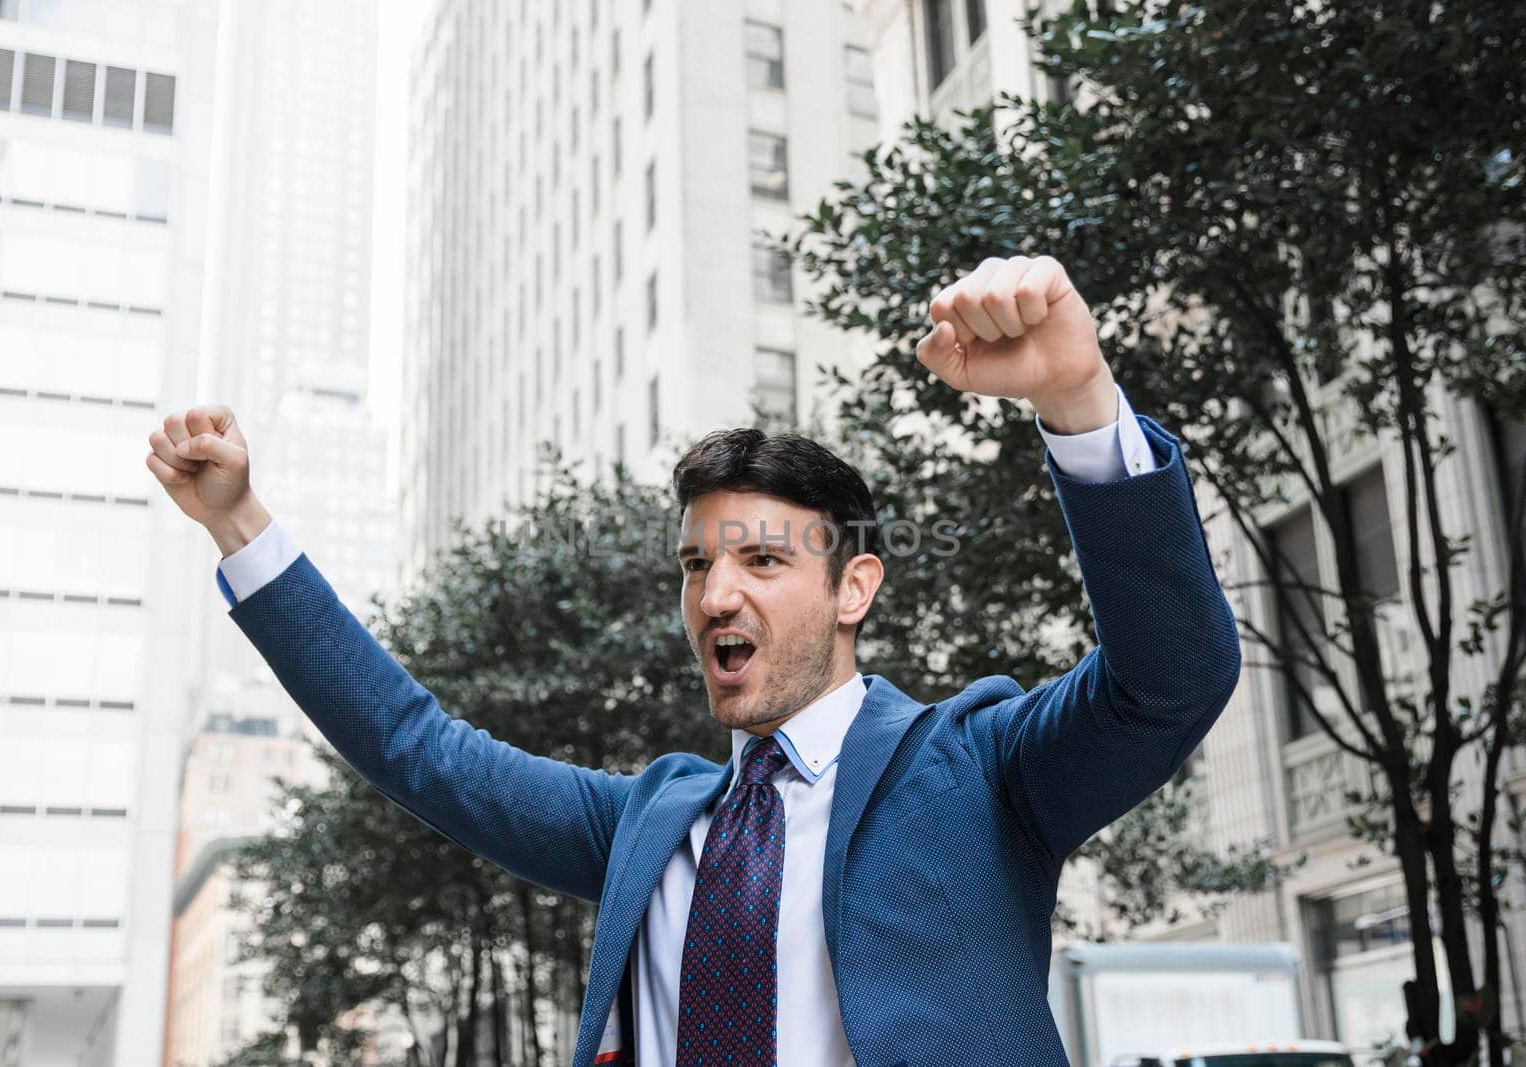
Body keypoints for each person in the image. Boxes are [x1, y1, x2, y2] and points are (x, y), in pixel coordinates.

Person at [146, 255, 1241, 1067]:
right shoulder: (647, 823)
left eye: (762, 558)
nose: (716, 592)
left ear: (853, 586)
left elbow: (1169, 678)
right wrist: (242, 525)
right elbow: (416, 746)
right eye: (695, 565)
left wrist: (1078, 404)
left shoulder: (977, 767)